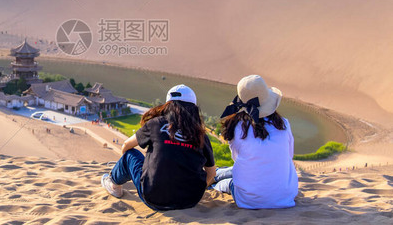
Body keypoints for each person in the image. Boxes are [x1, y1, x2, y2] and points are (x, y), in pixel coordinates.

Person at [101, 84, 216, 211]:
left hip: (153, 199)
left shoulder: (156, 124)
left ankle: (114, 184)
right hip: (190, 202)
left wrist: (131, 166)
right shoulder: (201, 135)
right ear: (194, 108)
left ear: (168, 104)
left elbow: (126, 146)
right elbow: (211, 173)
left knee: (131, 154)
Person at [213, 75, 298, 209]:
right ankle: (217, 173)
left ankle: (214, 177)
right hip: (286, 195)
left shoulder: (237, 127)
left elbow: (236, 158)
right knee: (229, 171)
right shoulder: (284, 124)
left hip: (249, 200)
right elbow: (289, 155)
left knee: (221, 184)